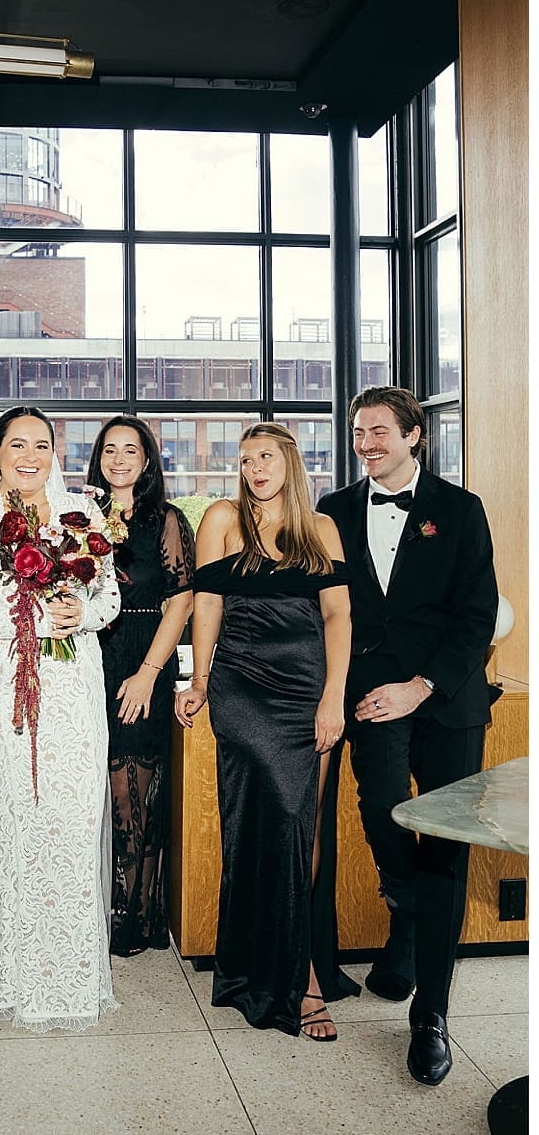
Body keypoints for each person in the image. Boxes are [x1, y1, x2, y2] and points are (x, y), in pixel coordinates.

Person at [317, 387, 499, 1083]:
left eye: (380, 432)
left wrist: (420, 686)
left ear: (414, 435)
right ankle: (408, 914)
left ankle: (431, 1014)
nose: (366, 443)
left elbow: (476, 615)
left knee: (446, 846)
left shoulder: (460, 510)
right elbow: (321, 607)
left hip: (445, 699)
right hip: (369, 696)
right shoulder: (331, 511)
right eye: (359, 433)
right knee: (383, 810)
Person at [0, 405, 120, 1031]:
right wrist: (32, 620)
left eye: (41, 444)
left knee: (69, 816)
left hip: (72, 684)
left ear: (54, 451)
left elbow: (110, 597)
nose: (30, 454)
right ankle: (5, 970)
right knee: (9, 819)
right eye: (17, 443)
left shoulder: (84, 516)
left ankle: (66, 974)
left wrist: (81, 615)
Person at [179, 423, 357, 1040]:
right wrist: (199, 680)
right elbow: (207, 605)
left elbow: (338, 614)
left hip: (310, 688)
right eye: (247, 457)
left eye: (268, 457)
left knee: (304, 826)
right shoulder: (225, 518)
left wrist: (334, 694)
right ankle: (295, 974)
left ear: (291, 462)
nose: (256, 468)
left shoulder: (322, 528)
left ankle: (297, 959)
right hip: (244, 685)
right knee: (271, 818)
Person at [83, 414, 196, 956]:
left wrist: (148, 674)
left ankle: (139, 912)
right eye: (110, 450)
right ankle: (105, 904)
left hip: (143, 661)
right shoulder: (79, 518)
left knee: (134, 791)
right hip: (88, 660)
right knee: (99, 792)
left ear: (147, 461)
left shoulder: (167, 521)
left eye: (131, 450)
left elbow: (181, 600)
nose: (119, 459)